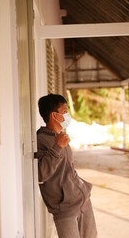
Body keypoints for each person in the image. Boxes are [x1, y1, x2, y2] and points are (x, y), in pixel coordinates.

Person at [35, 93, 97, 238]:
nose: (68, 115)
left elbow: (68, 168)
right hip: (64, 208)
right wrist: (57, 147)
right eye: (64, 112)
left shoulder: (60, 135)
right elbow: (41, 173)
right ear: (54, 116)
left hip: (82, 199)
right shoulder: (41, 140)